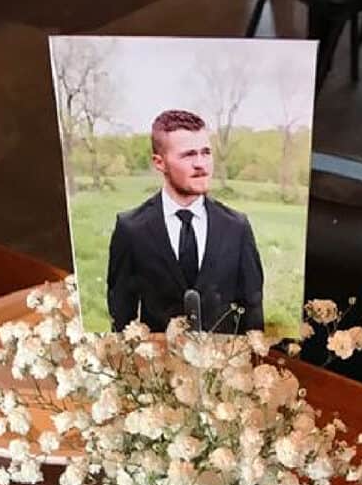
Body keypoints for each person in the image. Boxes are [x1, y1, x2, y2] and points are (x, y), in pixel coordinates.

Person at [107, 109, 264, 333]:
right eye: (188, 155)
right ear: (159, 162)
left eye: (206, 152)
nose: (201, 164)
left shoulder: (236, 227)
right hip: (159, 363)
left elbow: (253, 314)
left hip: (221, 363)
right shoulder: (131, 229)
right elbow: (121, 315)